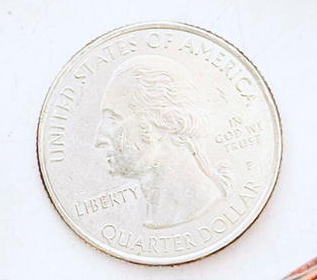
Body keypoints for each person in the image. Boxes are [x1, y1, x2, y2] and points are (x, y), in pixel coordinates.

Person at [94, 57, 228, 229]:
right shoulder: (163, 213)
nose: (98, 140)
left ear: (163, 121)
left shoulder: (199, 206)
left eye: (113, 119)